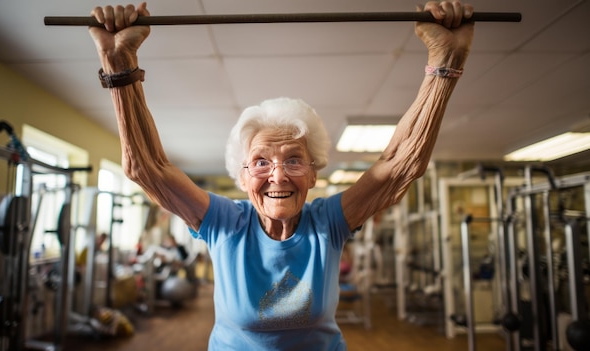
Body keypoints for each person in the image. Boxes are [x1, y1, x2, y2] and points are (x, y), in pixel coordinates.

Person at [88, 1, 474, 349]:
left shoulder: (328, 223)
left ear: (312, 174)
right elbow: (146, 167)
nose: (277, 176)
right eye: (260, 162)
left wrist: (446, 61)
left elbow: (399, 167)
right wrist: (119, 63)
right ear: (242, 177)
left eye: (293, 160)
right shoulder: (225, 223)